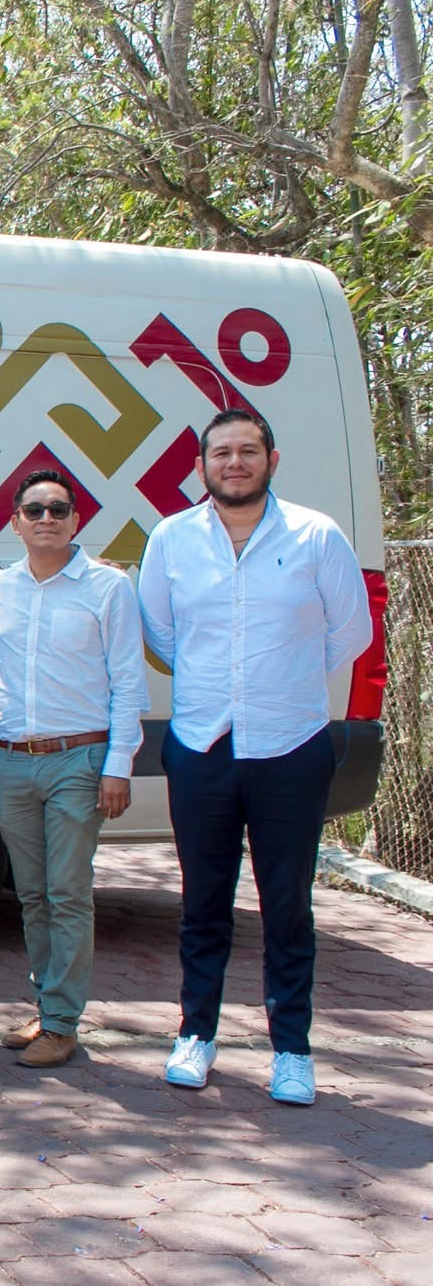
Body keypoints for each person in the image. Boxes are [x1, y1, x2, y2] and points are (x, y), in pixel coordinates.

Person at [140, 408, 371, 1105]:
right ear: (201, 466)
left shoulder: (315, 535)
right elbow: (161, 633)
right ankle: (196, 1034)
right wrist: (225, 686)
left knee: (288, 906)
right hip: (201, 745)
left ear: (272, 459)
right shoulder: (172, 539)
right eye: (221, 453)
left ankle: (291, 1049)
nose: (234, 463)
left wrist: (284, 682)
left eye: (247, 451)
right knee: (202, 903)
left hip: (291, 746)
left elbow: (352, 631)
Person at [0, 469, 147, 1068]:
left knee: (68, 893)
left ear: (75, 520)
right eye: (34, 509)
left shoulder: (108, 587)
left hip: (79, 759)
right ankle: (48, 1006)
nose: (46, 518)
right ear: (15, 523)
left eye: (58, 509)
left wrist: (118, 766)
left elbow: (129, 683)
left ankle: (62, 1023)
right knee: (31, 895)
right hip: (11, 763)